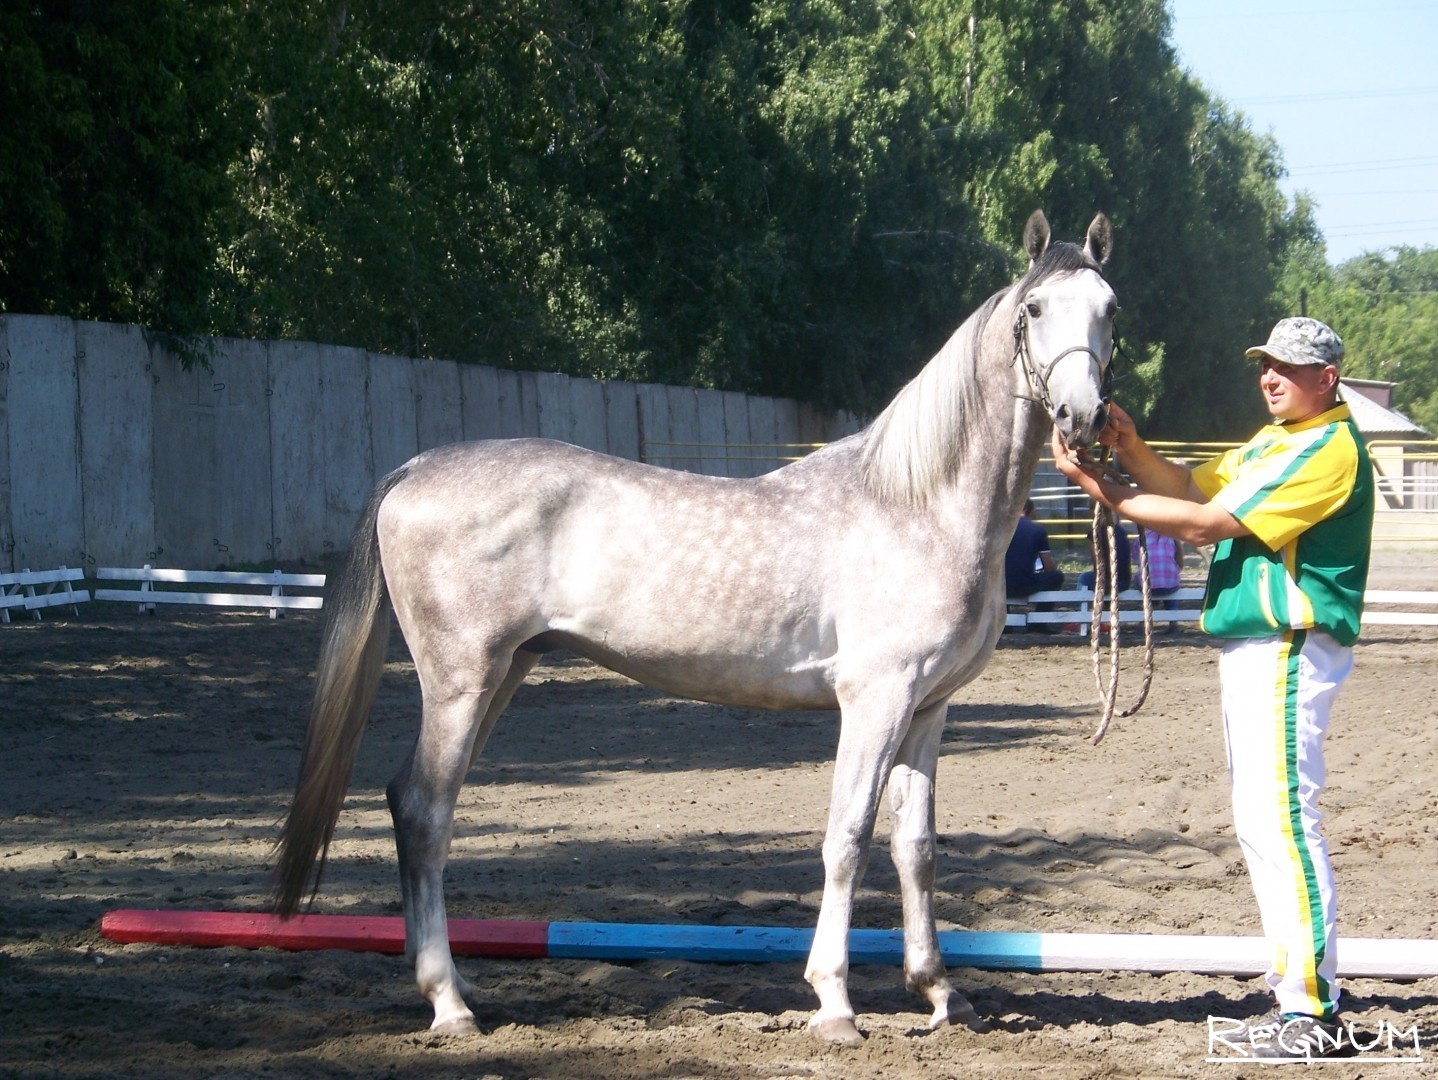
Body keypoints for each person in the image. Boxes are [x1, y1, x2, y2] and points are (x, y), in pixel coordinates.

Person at [1052, 316, 1373, 1061]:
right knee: (1266, 821)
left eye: (1287, 368)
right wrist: (1131, 452)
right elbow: (1192, 485)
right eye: (1266, 364)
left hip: (1288, 646)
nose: (1270, 377)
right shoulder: (1278, 440)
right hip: (1258, 646)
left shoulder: (1326, 447)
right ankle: (1299, 998)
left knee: (1283, 821)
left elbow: (1202, 524)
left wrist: (1100, 484)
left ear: (1327, 378)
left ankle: (1311, 1013)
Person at [1005, 498, 1065, 598]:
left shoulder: (1000, 530)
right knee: (1057, 576)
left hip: (1002, 585)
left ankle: (1006, 612)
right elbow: (1048, 568)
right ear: (1032, 510)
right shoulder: (1038, 530)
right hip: (1025, 584)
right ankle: (1043, 610)